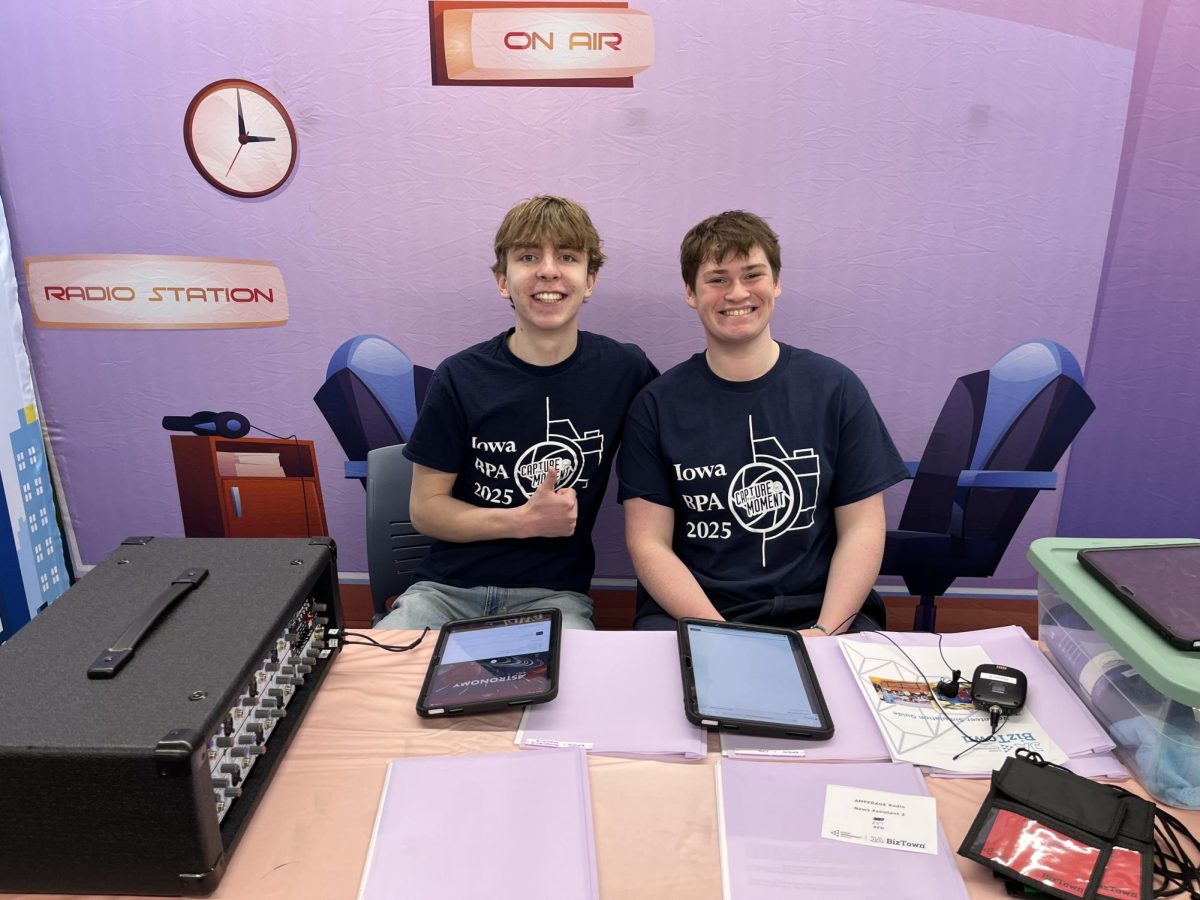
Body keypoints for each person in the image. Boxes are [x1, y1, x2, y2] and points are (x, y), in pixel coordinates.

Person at [617, 210, 908, 636]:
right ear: (691, 293)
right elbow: (648, 543)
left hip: (820, 611)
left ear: (775, 283)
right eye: (717, 279)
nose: (737, 293)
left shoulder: (835, 388)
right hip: (696, 614)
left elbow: (863, 527)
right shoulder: (656, 405)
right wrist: (721, 636)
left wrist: (827, 630)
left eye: (752, 275)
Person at [377, 195, 657, 631]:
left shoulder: (625, 370)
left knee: (571, 695)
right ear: (503, 280)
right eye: (528, 256)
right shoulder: (460, 376)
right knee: (374, 684)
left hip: (555, 598)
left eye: (567, 256)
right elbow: (426, 510)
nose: (548, 270)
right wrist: (523, 521)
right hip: (444, 593)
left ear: (590, 280)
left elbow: (679, 431)